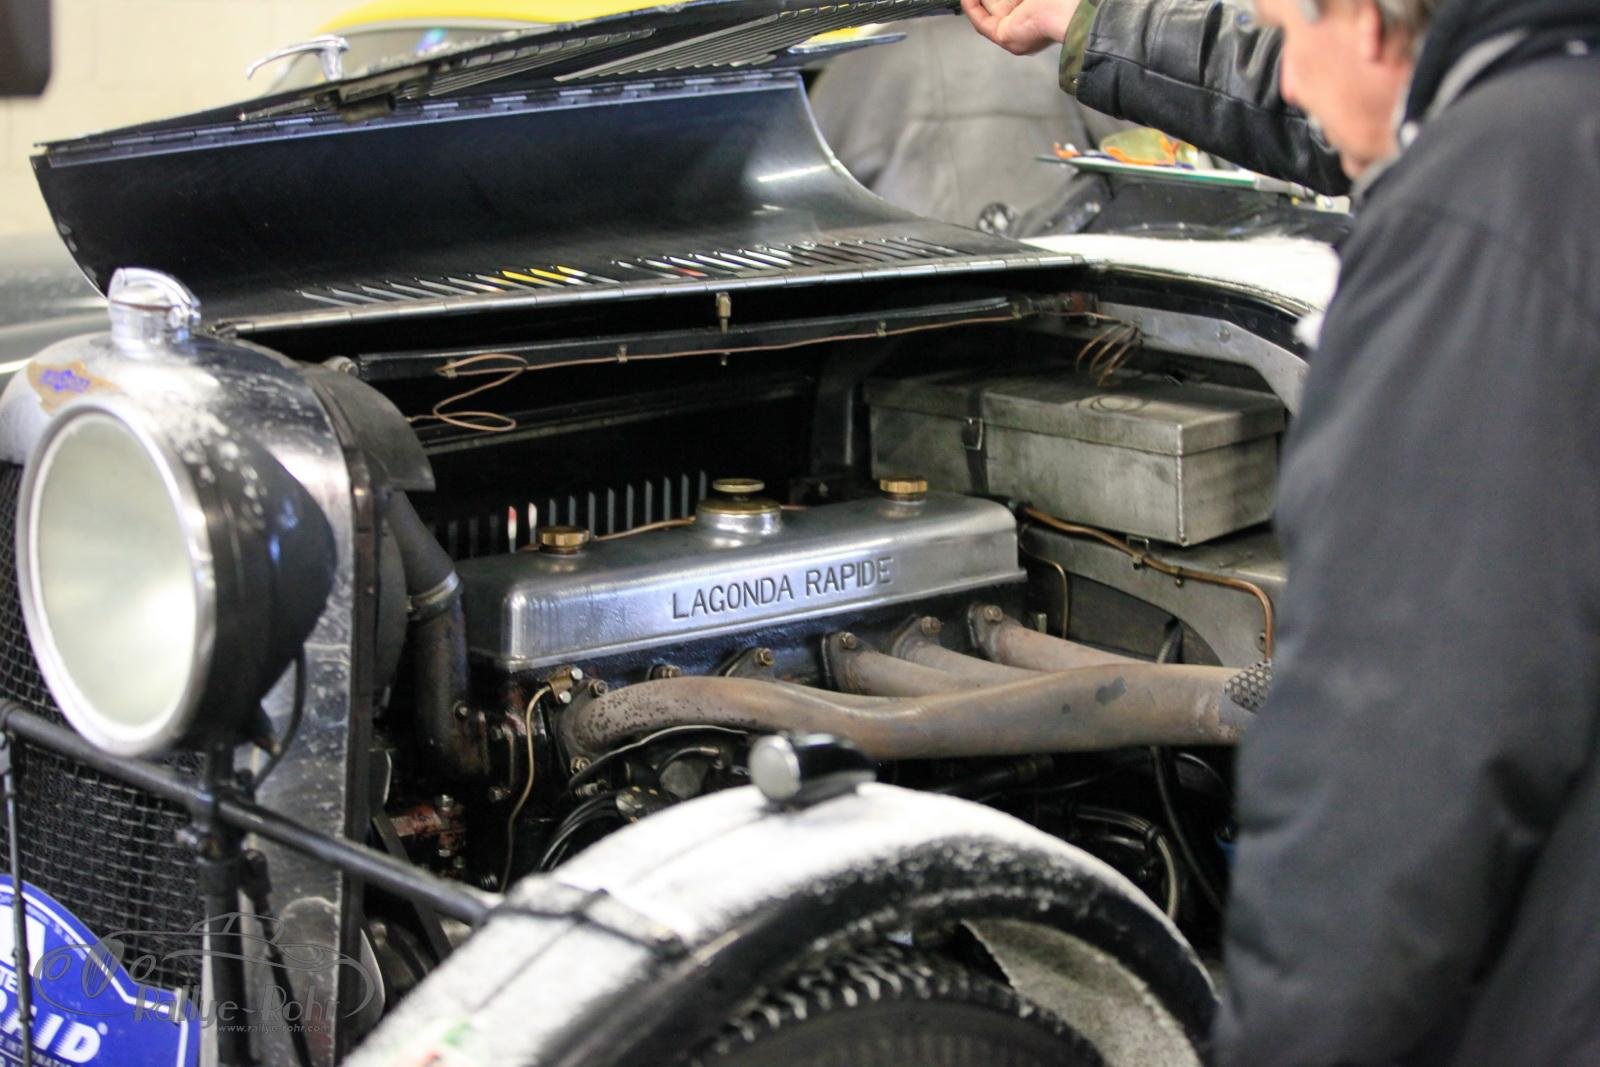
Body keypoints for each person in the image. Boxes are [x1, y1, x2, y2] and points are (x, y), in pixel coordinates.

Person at [960, 0, 1600, 1064]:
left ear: (1365, 17)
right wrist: (1090, 24)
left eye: (1290, 33)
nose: (1289, 84)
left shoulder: (1491, 204)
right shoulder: (1551, 103)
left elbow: (1401, 747)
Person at [809, 18, 1130, 229]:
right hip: (1052, 265)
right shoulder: (1059, 48)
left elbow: (812, 183)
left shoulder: (863, 60)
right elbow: (1138, 153)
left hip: (914, 277)